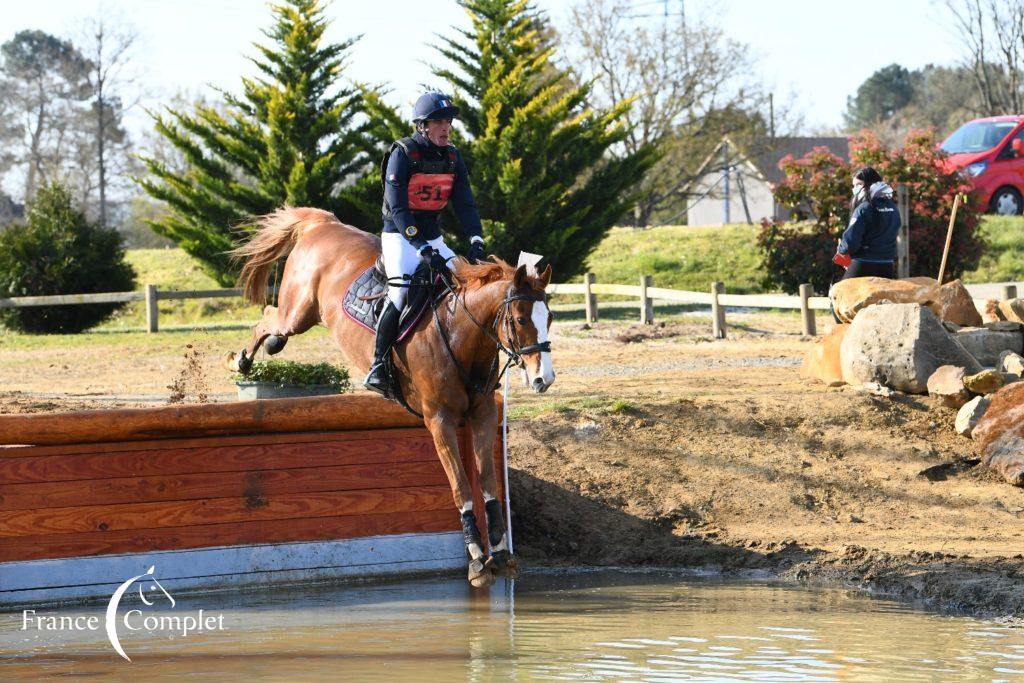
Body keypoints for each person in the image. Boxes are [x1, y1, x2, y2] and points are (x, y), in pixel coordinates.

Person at [363, 91, 486, 394]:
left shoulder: (453, 157)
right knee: (400, 294)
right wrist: (421, 248)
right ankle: (378, 365)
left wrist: (476, 238)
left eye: (448, 122)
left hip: (433, 236)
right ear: (422, 127)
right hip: (400, 236)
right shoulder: (403, 154)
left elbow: (465, 203)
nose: (446, 128)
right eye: (439, 122)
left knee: (465, 285)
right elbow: (398, 209)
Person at [834, 167, 901, 281]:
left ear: (869, 184)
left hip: (863, 264)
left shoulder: (864, 208)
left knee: (839, 295)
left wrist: (841, 249)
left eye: (858, 184)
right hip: (887, 265)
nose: (854, 189)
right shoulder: (893, 207)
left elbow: (851, 242)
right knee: (881, 298)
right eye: (853, 186)